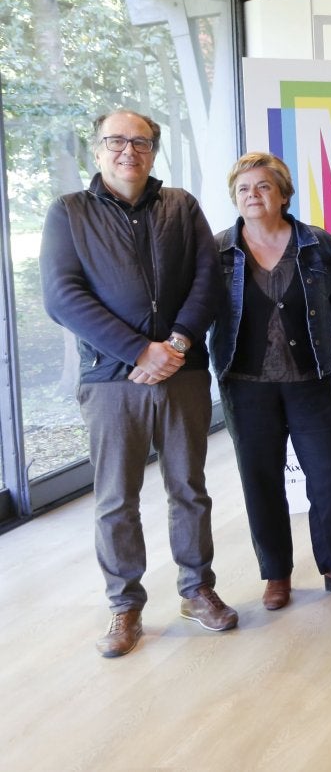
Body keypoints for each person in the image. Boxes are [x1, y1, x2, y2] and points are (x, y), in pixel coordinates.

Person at [41, 109, 235, 658]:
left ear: (154, 151)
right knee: (115, 499)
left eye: (142, 142)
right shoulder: (69, 213)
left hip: (182, 372)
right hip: (110, 379)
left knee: (189, 489)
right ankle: (125, 606)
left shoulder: (181, 206)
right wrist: (136, 351)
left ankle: (197, 590)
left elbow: (208, 279)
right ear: (97, 150)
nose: (130, 151)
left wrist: (173, 346)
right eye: (117, 142)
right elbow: (62, 296)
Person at [211, 152, 331, 609]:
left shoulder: (316, 243)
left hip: (310, 379)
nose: (253, 196)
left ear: (283, 193)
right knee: (260, 480)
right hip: (245, 382)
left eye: (263, 187)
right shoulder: (219, 250)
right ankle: (276, 574)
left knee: (329, 477)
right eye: (244, 189)